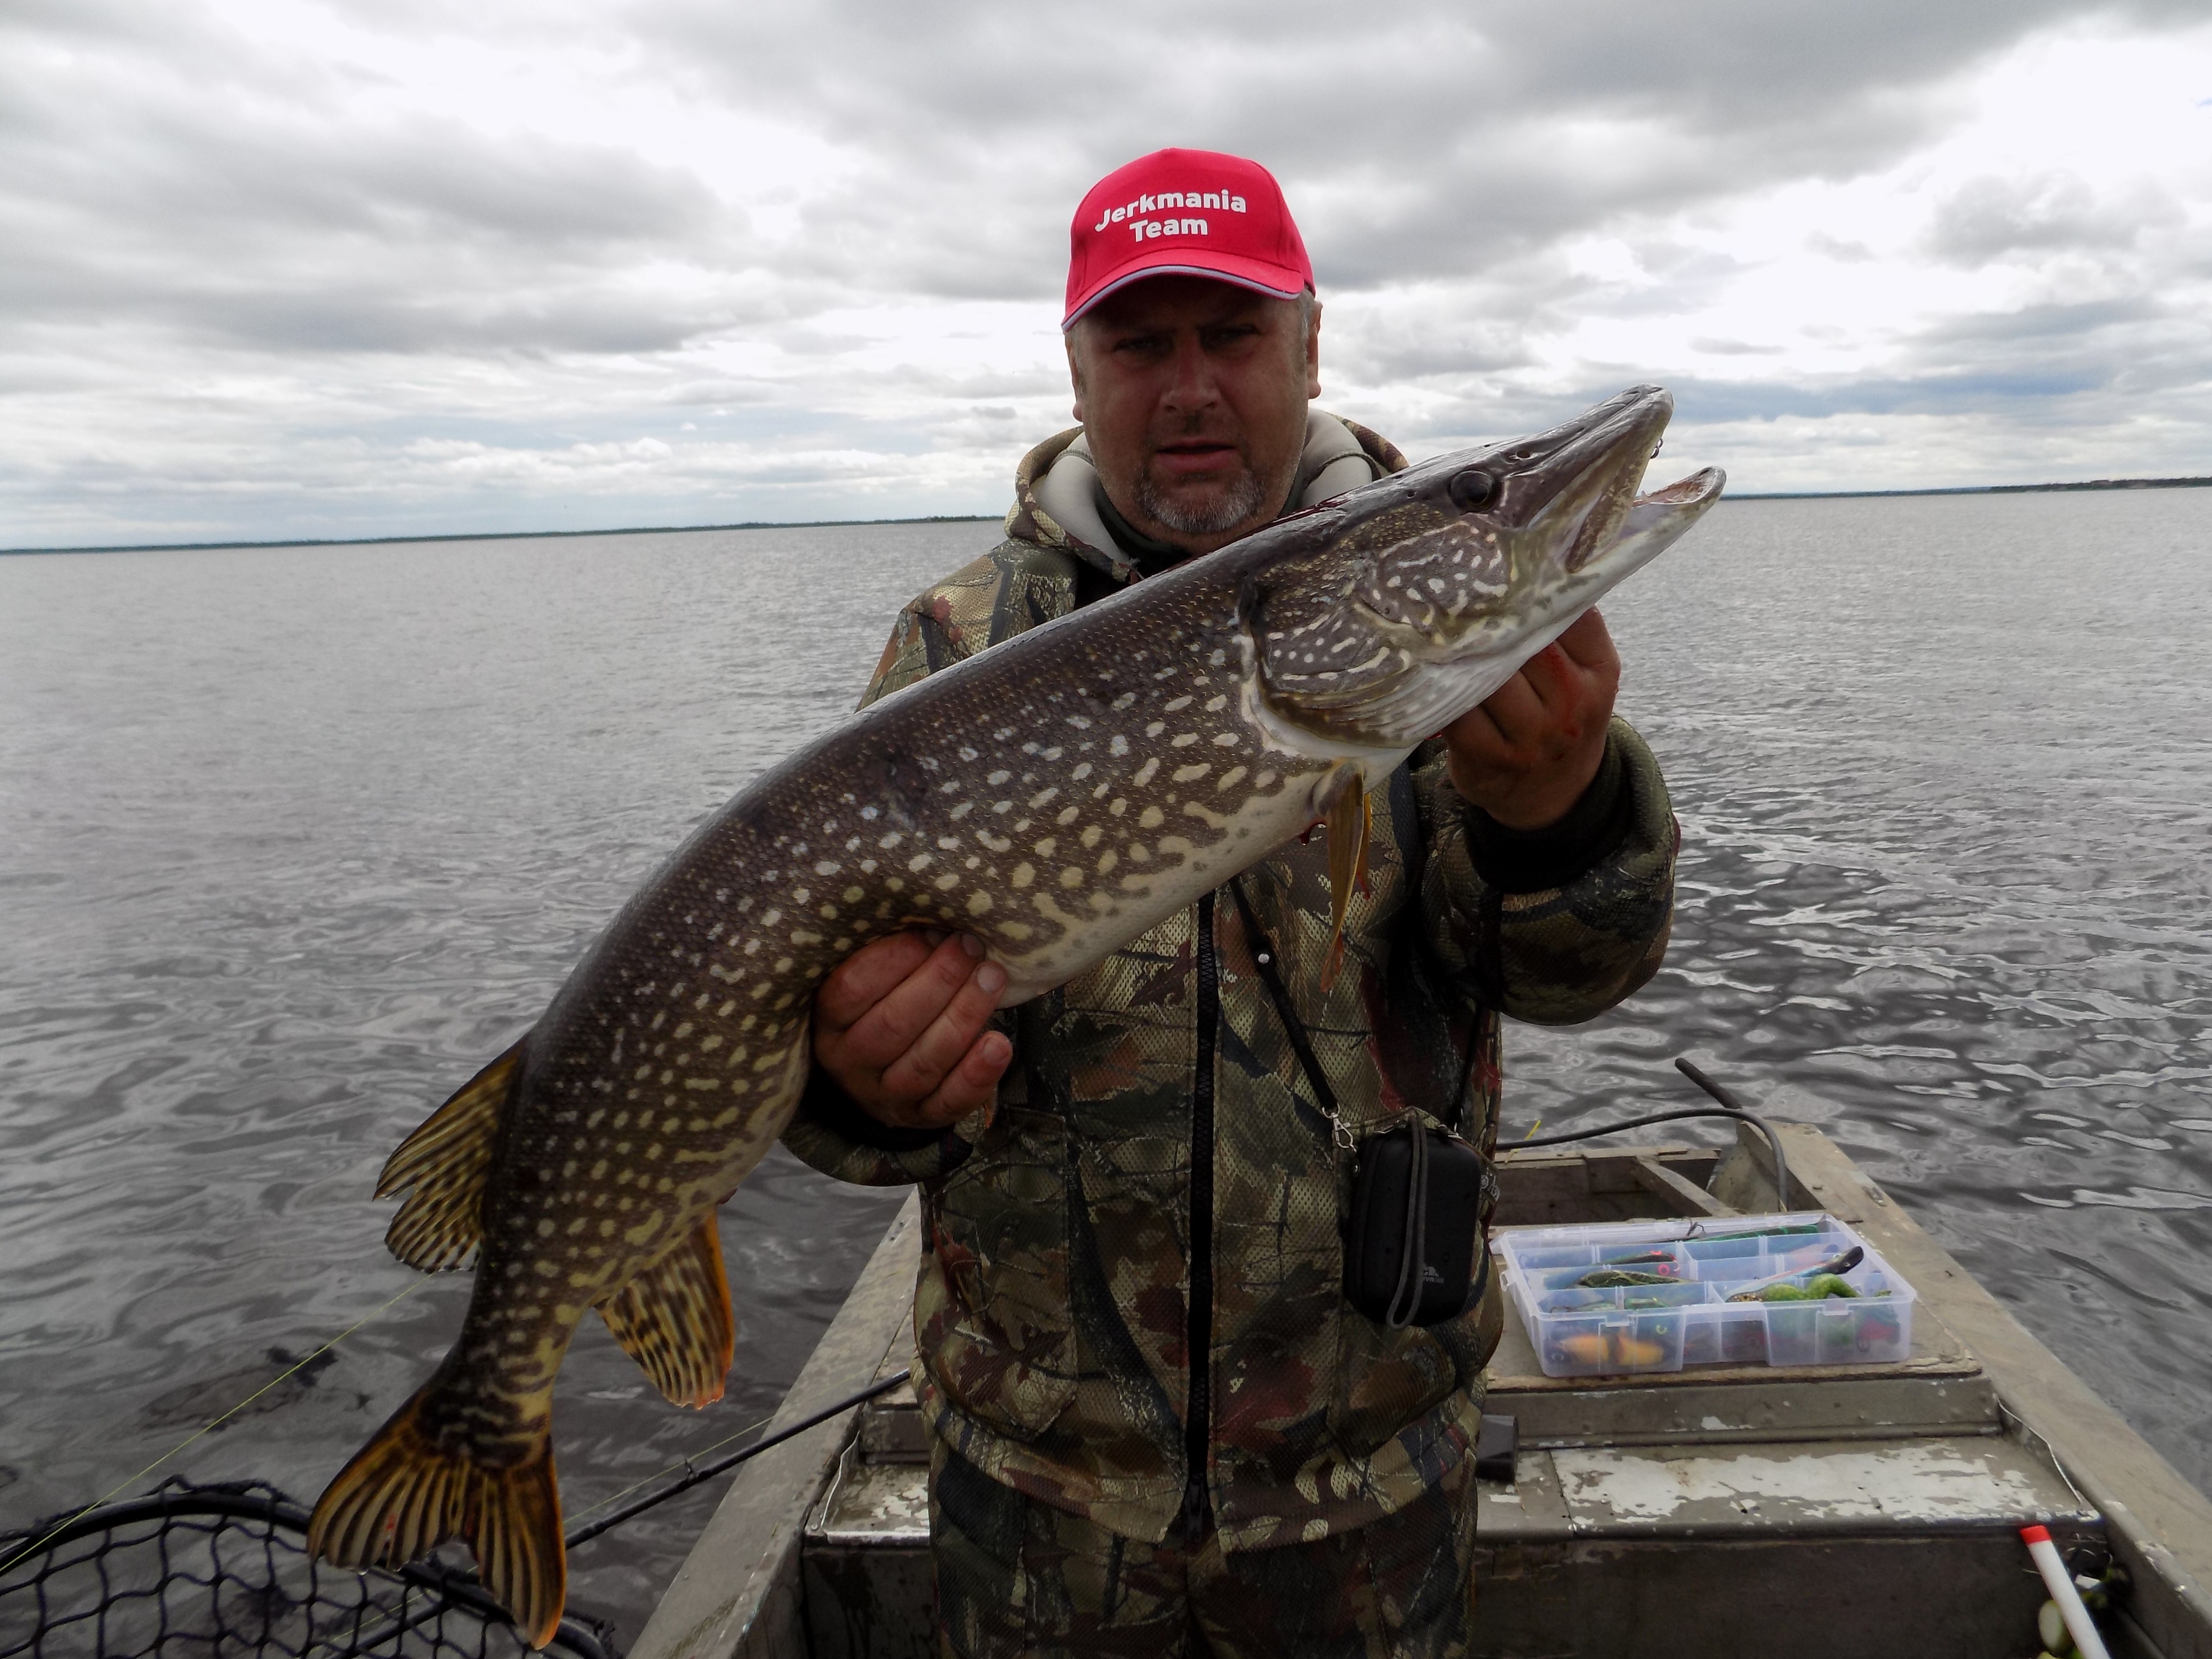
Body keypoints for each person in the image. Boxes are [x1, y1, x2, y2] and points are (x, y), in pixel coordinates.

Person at [783, 149, 1678, 1658]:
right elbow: (836, 1073)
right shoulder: (953, 647)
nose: (1190, 388)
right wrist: (863, 1086)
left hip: (1367, 1482)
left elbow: (1572, 972)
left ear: (1310, 349)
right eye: (1141, 345)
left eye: (1234, 336)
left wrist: (1561, 813)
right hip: (1042, 1497)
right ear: (1078, 372)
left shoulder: (1434, 642)